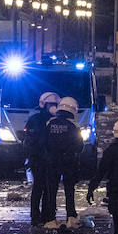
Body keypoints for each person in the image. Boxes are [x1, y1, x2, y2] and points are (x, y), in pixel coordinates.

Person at [43, 97, 83, 226]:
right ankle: (71, 216)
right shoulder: (73, 126)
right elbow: (79, 146)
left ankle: (50, 217)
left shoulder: (49, 123)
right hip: (68, 162)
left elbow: (43, 142)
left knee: (51, 190)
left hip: (52, 161)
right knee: (69, 190)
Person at [25, 91, 59, 226]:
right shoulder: (35, 120)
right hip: (38, 160)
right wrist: (33, 157)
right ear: (43, 105)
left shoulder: (55, 120)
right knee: (39, 187)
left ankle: (46, 215)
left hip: (50, 160)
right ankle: (35, 216)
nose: (53, 107)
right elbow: (30, 141)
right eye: (51, 104)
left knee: (48, 188)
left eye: (56, 104)